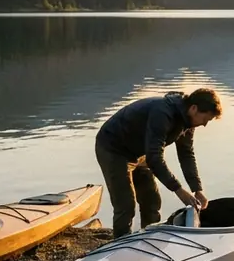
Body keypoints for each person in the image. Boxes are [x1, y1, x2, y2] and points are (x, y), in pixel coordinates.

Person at [94, 88, 222, 238]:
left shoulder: (188, 123)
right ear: (194, 108)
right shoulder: (162, 113)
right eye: (205, 119)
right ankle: (120, 246)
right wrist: (178, 190)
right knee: (126, 205)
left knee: (152, 201)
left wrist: (197, 188)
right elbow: (155, 157)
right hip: (113, 148)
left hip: (140, 152)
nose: (205, 124)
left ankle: (151, 241)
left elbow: (186, 154)